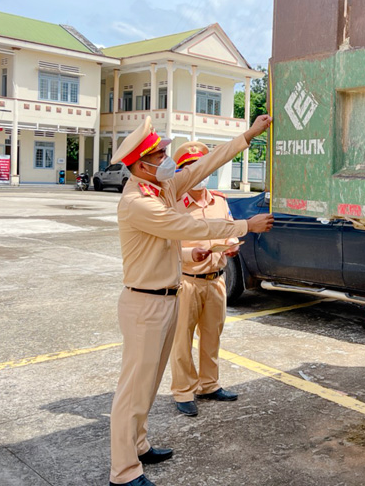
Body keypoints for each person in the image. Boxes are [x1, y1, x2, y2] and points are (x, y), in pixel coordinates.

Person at [109, 115, 274, 486]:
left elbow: (203, 165)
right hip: (144, 303)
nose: (167, 158)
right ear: (141, 164)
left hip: (165, 299)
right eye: (160, 154)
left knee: (147, 384)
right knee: (133, 388)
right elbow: (190, 227)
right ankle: (122, 472)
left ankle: (138, 444)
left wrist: (248, 135)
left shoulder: (160, 187)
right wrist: (245, 226)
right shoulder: (139, 202)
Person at [169, 141, 240, 417]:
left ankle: (209, 385)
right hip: (187, 280)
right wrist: (189, 254)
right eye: (192, 168)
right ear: (183, 171)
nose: (200, 173)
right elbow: (166, 246)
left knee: (212, 336)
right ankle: (184, 391)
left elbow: (229, 229)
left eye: (203, 166)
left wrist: (232, 243)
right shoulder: (174, 204)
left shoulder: (218, 201)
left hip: (216, 280)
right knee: (182, 340)